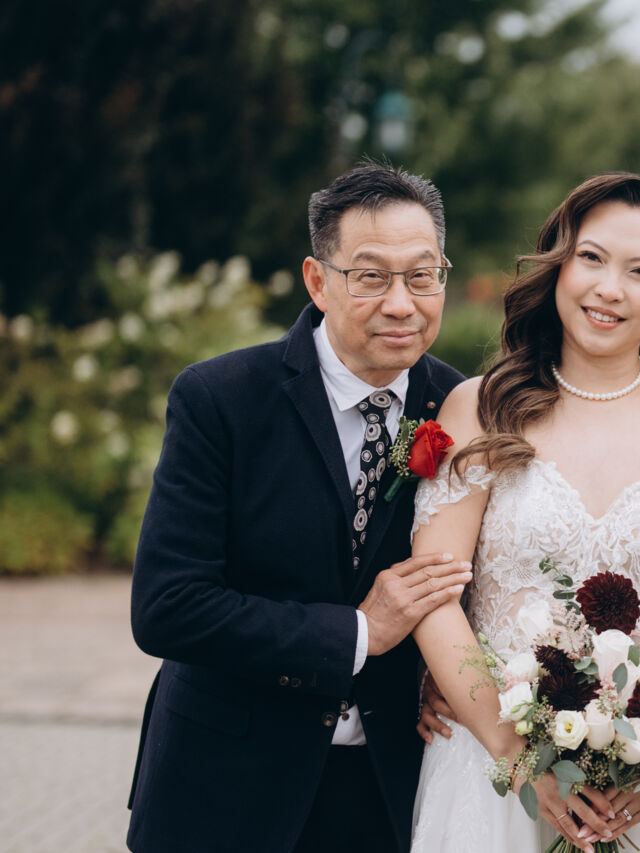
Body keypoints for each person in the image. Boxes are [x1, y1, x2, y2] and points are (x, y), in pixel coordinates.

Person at [127, 164, 474, 853]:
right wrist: (357, 632)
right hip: (226, 787)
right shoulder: (219, 398)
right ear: (318, 281)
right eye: (371, 277)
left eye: (422, 276)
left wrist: (455, 674)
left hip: (389, 787)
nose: (401, 303)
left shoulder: (461, 406)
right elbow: (168, 606)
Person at [407, 173, 640, 852]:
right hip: (491, 764)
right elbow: (433, 596)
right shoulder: (480, 406)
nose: (608, 288)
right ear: (559, 265)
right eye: (591, 258)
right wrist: (520, 757)